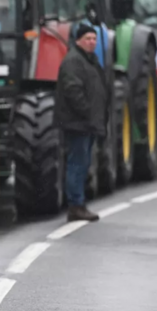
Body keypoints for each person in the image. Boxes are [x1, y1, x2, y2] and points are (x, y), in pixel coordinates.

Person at [55, 24, 107, 222]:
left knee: (83, 162)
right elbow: (73, 90)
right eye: (87, 38)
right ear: (78, 41)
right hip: (77, 122)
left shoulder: (90, 61)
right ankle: (76, 205)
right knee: (77, 164)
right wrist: (87, 112)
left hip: (87, 123)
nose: (92, 42)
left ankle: (80, 202)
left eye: (94, 39)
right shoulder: (73, 61)